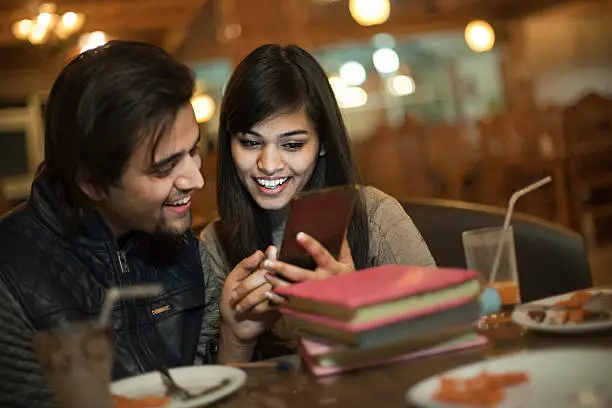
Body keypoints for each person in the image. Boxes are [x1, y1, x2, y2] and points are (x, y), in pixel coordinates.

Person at [0, 41, 221, 407]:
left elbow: (207, 388)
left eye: (194, 151)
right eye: (165, 167)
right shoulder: (10, 278)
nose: (195, 179)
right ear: (92, 182)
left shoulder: (187, 250)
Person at [198, 44, 436, 364]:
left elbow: (448, 343)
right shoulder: (215, 244)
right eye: (251, 143)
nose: (269, 164)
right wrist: (235, 334)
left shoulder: (374, 217)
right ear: (229, 143)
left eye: (293, 144)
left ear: (322, 143)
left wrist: (352, 311)